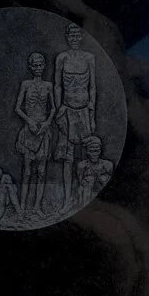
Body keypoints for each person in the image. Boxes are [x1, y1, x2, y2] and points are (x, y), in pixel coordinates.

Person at [54, 24, 96, 210]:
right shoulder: (61, 58)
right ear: (67, 37)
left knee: (84, 158)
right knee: (67, 159)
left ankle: (84, 199)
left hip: (84, 111)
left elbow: (93, 87)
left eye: (78, 35)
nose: (75, 39)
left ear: (82, 37)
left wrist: (92, 114)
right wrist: (59, 110)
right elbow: (57, 86)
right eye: (71, 35)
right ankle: (66, 200)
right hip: (67, 110)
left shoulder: (89, 58)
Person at [15, 52, 56, 214]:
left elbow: (53, 108)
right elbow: (17, 108)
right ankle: (22, 207)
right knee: (27, 171)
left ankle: (37, 207)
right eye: (35, 65)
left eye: (40, 65)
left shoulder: (48, 85)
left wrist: (47, 123)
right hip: (29, 129)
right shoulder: (26, 84)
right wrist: (29, 121)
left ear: (44, 66)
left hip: (43, 130)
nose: (38, 68)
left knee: (41, 171)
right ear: (30, 67)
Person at [76, 136, 113, 208]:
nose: (94, 154)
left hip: (102, 195)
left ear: (100, 151)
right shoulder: (82, 166)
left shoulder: (107, 165)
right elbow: (80, 182)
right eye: (91, 151)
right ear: (87, 152)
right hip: (87, 194)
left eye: (96, 151)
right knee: (89, 180)